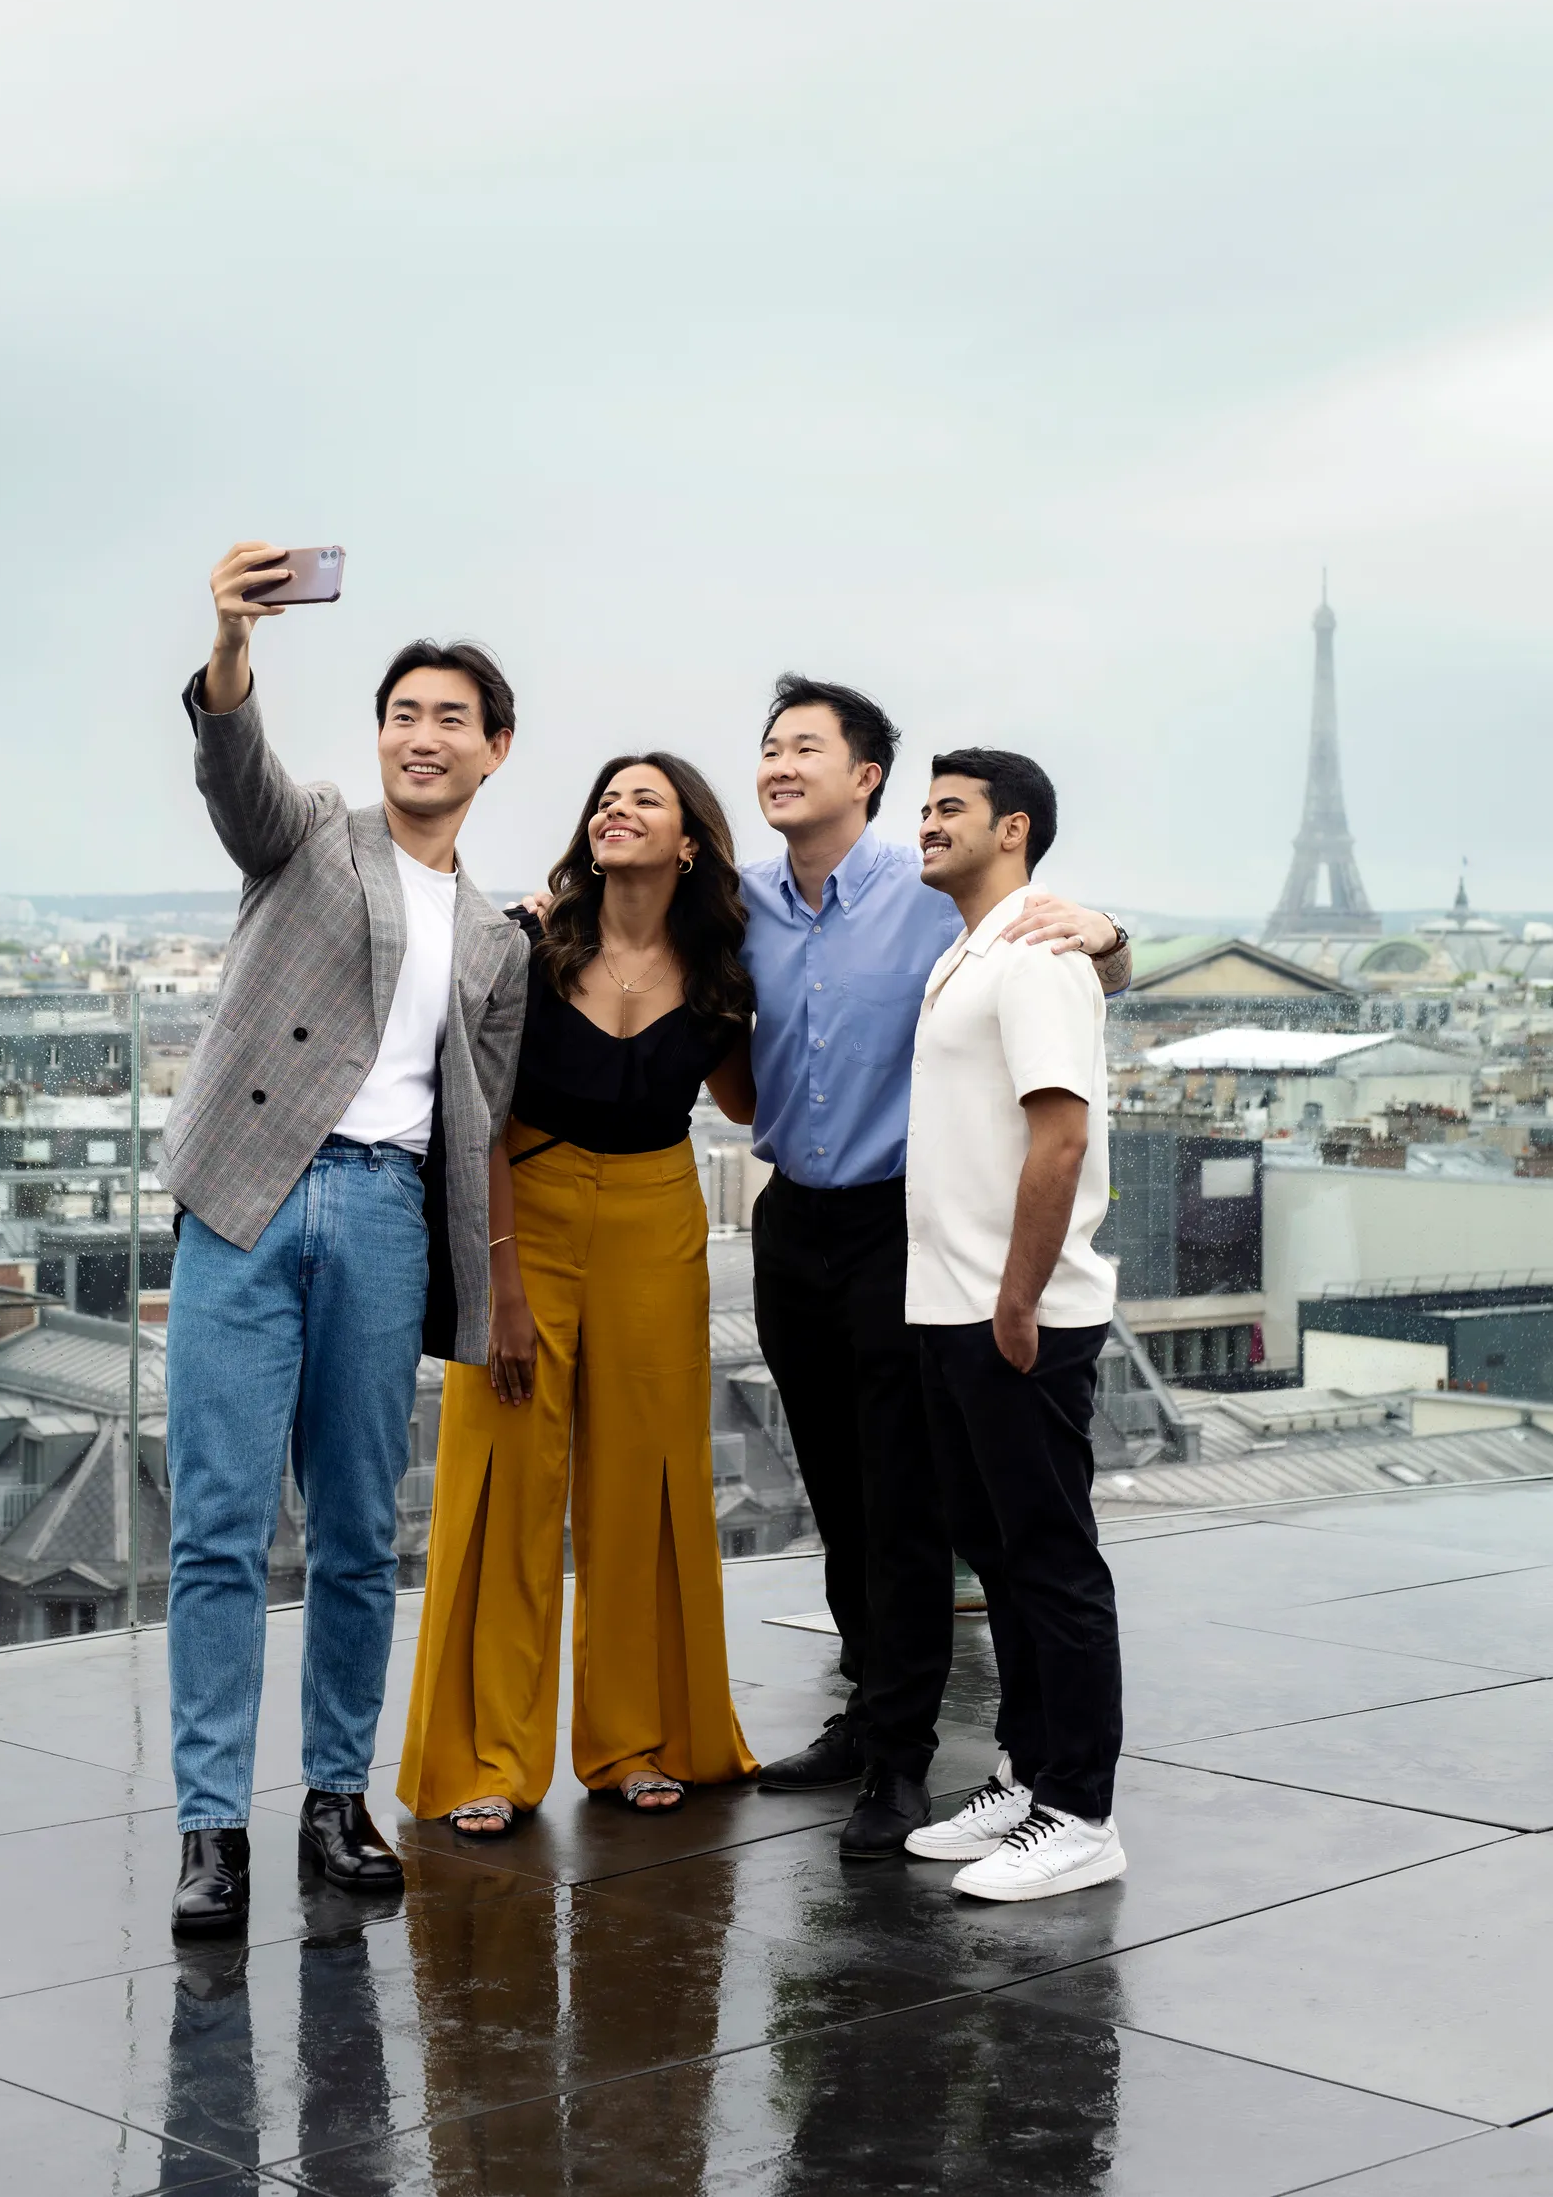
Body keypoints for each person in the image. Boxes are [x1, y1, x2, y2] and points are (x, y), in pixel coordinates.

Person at [161, 541, 529, 1934]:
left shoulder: (498, 937)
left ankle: (332, 1797)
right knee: (219, 1525)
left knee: (362, 1531)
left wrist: (490, 1292)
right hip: (252, 1191)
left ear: (496, 748)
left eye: (449, 717)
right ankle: (212, 1827)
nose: (420, 736)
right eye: (401, 712)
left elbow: (485, 1118)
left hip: (384, 1211)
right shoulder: (314, 829)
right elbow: (232, 772)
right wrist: (231, 643)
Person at [742, 675, 1131, 1858]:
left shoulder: (943, 906)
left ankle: (931, 1762)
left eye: (806, 745)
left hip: (906, 1235)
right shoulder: (750, 899)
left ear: (864, 774)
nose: (778, 762)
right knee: (864, 1493)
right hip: (806, 1224)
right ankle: (912, 1729)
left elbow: (1069, 997)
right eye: (768, 745)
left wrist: (1108, 934)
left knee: (929, 1505)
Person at [398, 753, 758, 1832]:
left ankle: (637, 1742)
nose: (617, 807)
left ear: (688, 843)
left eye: (646, 798)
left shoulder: (723, 973)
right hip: (529, 1210)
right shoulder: (524, 948)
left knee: (646, 1481)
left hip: (659, 1215)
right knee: (502, 1481)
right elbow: (483, 1121)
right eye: (608, 795)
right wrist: (499, 1286)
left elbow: (746, 1104)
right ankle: (484, 1762)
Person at [902, 748, 1124, 1901]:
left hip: (1014, 1313)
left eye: (950, 809)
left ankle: (1082, 1810)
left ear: (1016, 829)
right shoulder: (971, 951)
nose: (926, 823)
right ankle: (1030, 1774)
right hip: (954, 1306)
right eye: (925, 807)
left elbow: (1062, 1138)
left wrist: (1020, 1300)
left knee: (1050, 1562)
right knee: (997, 1553)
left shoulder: (1038, 956)